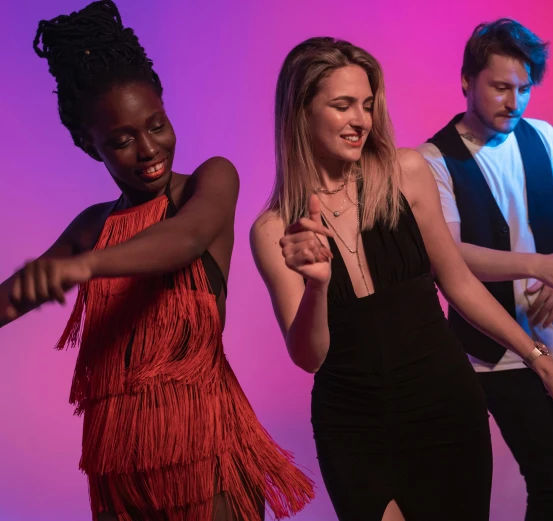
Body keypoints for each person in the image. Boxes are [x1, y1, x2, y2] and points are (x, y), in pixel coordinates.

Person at [250, 36, 553, 521]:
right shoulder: (274, 229)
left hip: (444, 402)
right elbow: (308, 357)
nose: (360, 120)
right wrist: (319, 285)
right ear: (301, 113)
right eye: (342, 106)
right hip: (354, 423)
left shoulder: (406, 173)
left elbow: (460, 283)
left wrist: (541, 360)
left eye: (366, 105)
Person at [0, 2, 313, 519]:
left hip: (203, 445)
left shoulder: (207, 184)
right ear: (88, 145)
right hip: (115, 461)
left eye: (157, 125)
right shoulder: (90, 226)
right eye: (122, 141)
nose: (148, 149)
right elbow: (10, 298)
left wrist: (84, 267)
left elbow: (186, 238)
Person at [417, 18, 553, 521]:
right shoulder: (434, 160)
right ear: (466, 81)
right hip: (490, 351)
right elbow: (450, 257)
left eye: (524, 89)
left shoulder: (543, 137)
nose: (514, 101)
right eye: (500, 87)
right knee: (536, 475)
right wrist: (544, 265)